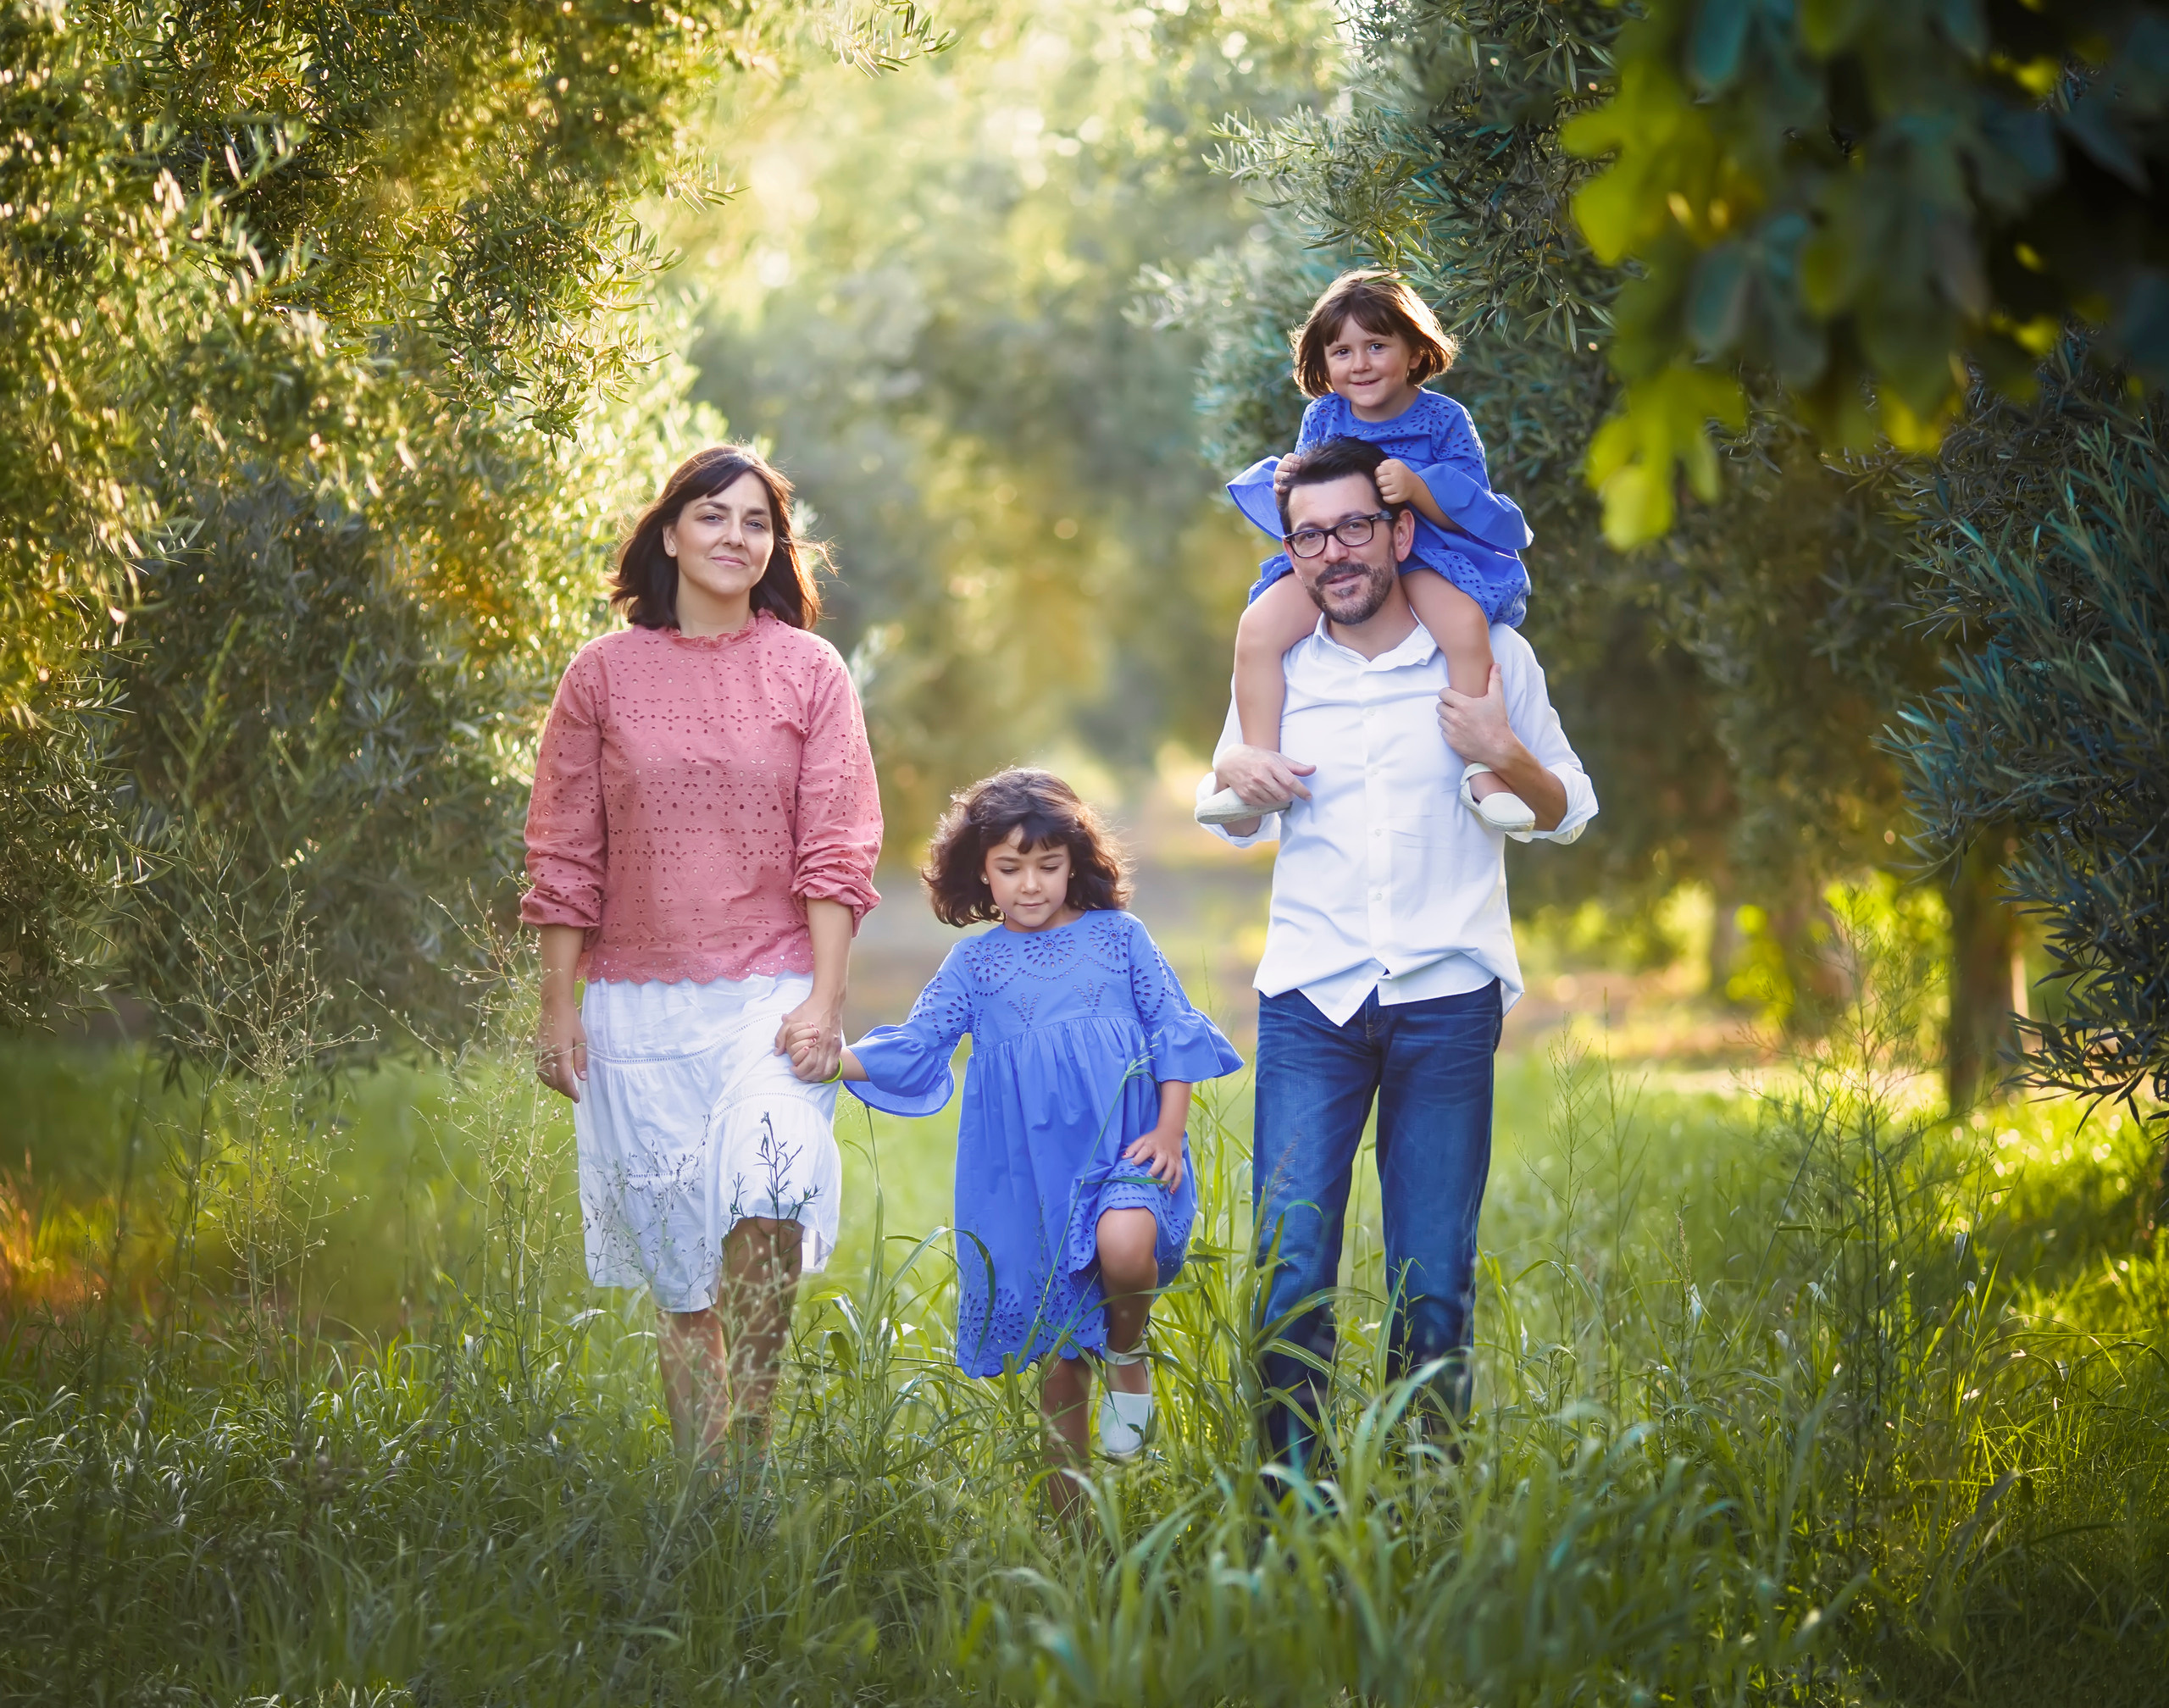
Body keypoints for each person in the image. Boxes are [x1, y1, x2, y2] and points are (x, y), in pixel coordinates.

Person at [1197, 435, 1596, 1467]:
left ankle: (1422, 1496)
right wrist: (1243, 772)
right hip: (1310, 1004)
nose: (1333, 553)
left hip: (1448, 1001)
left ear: (1399, 531)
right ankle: (1294, 1500)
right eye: (1309, 537)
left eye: (1353, 529)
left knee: (1433, 1278)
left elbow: (1568, 808)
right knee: (1288, 1268)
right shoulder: (1277, 662)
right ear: (1291, 553)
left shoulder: (1492, 660)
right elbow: (1227, 801)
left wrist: (1504, 753)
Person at [524, 444, 882, 1461]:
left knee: (771, 1196)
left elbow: (837, 842)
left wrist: (824, 998)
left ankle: (753, 1448)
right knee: (684, 1276)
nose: (736, 537)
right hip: (636, 1007)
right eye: (714, 516)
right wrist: (557, 1010)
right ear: (670, 532)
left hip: (770, 995)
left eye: (757, 522)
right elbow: (563, 851)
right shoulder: (601, 675)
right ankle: (704, 1495)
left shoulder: (809, 670)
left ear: (776, 545)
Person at [790, 769, 1240, 1510]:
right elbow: (922, 1040)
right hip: (1031, 1181)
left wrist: (1170, 1128)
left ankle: (1127, 1348)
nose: (1030, 885)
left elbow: (1173, 1030)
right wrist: (838, 1059)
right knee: (1059, 1360)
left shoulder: (1120, 939)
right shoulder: (976, 964)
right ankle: (1073, 1534)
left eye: (1048, 865)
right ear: (981, 872)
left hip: (1128, 1149)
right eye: (1010, 867)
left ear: (1076, 864)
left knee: (1127, 1246)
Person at [1195, 269, 1540, 834]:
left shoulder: (1444, 418)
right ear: (1322, 362)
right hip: (1343, 554)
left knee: (1463, 624)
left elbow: (1472, 500)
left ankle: (1484, 774)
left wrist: (1416, 488)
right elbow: (1311, 496)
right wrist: (1290, 480)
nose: (1359, 364)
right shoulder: (1323, 416)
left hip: (1424, 549)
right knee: (1257, 627)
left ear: (1412, 351)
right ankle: (1257, 769)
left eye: (1376, 346)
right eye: (1342, 351)